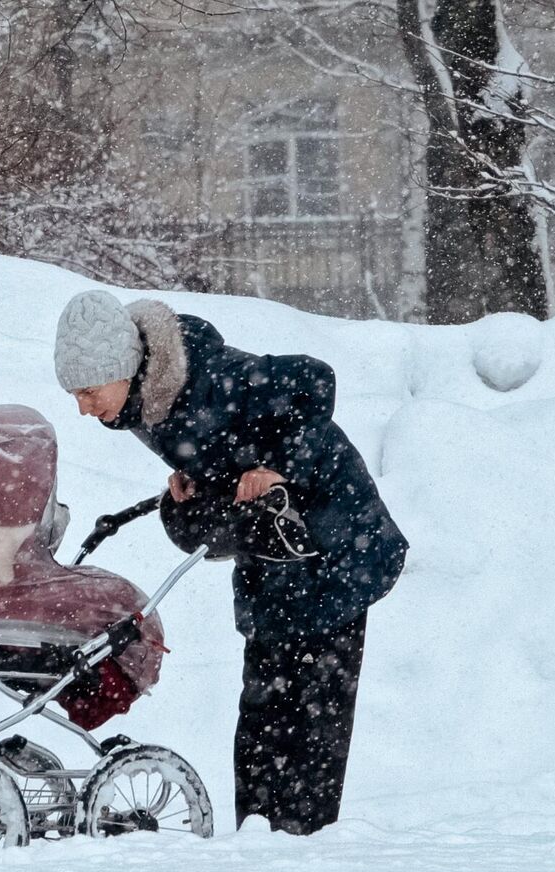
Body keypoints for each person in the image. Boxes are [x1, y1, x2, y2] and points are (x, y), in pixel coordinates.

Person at [52, 289, 408, 835]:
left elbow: (316, 381)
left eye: (88, 390)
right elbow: (222, 452)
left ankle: (306, 840)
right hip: (272, 549)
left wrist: (275, 466)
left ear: (120, 368)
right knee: (264, 702)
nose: (82, 406)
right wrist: (193, 490)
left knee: (313, 710)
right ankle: (259, 835)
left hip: (338, 543)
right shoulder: (143, 402)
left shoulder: (208, 378)